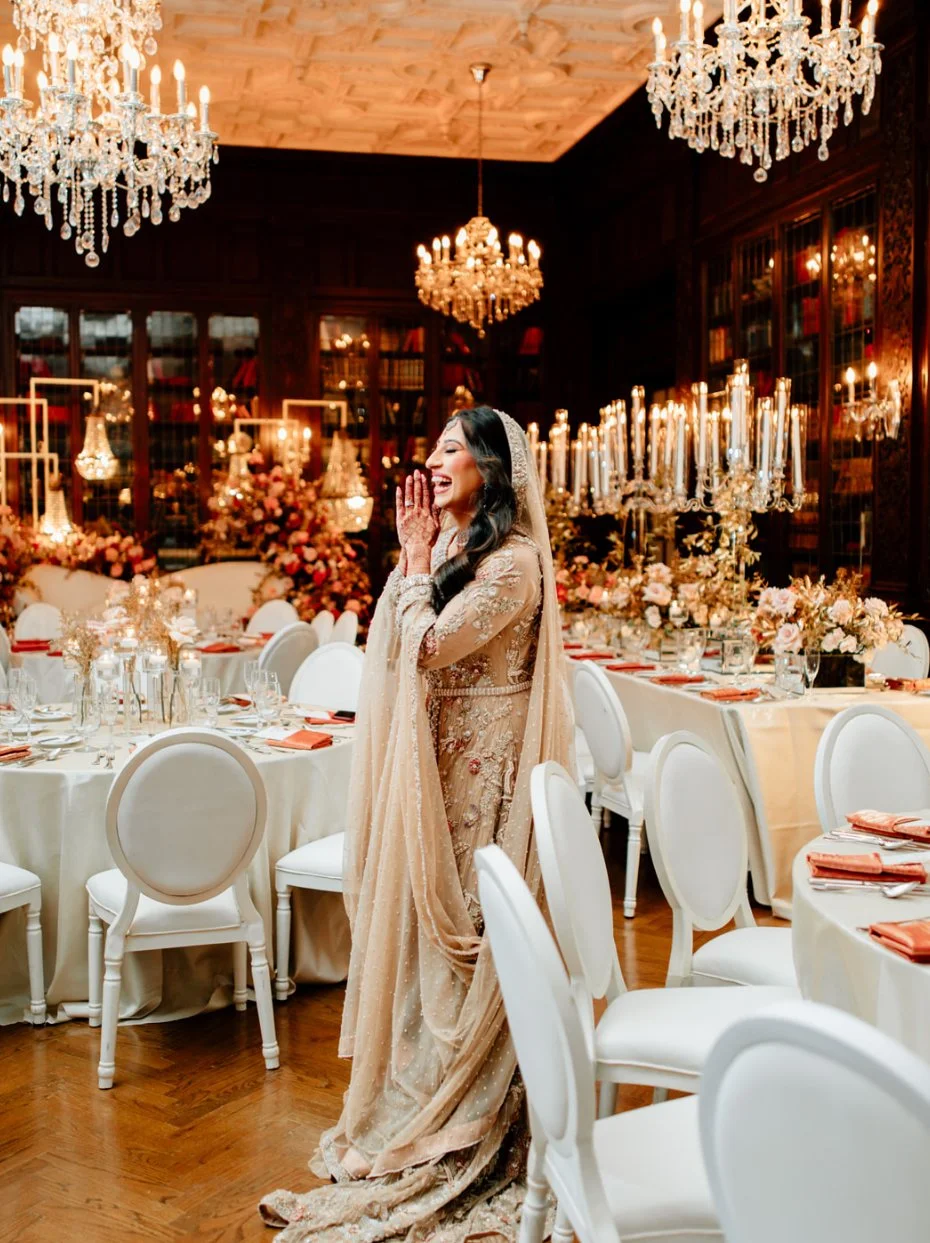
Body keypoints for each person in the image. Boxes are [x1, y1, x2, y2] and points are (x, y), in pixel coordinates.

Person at [260, 407, 572, 1241]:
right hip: (439, 766)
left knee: (473, 927)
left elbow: (427, 645)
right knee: (430, 940)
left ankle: (474, 1114)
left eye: (452, 449)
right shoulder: (461, 553)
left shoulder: (512, 566)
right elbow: (399, 646)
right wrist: (419, 558)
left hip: (485, 779)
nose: (434, 462)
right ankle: (420, 1094)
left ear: (492, 469)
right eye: (433, 448)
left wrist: (413, 559)